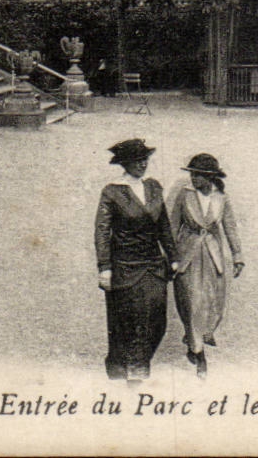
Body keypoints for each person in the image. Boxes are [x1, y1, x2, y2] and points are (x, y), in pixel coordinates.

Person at [95, 138, 179, 382]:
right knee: (126, 320)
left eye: (145, 159)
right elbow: (102, 231)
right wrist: (105, 268)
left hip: (153, 264)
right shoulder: (112, 191)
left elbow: (163, 224)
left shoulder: (154, 187)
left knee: (157, 319)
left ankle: (137, 362)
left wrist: (172, 256)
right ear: (125, 163)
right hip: (124, 265)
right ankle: (130, 368)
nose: (143, 164)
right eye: (136, 161)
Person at [169, 153, 244, 377]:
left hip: (213, 255)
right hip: (188, 255)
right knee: (193, 303)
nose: (192, 179)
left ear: (208, 177)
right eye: (191, 174)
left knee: (213, 303)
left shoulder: (222, 197)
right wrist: (170, 257)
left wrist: (237, 255)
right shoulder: (184, 196)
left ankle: (198, 338)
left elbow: (230, 227)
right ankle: (199, 353)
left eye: (197, 175)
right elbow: (172, 227)